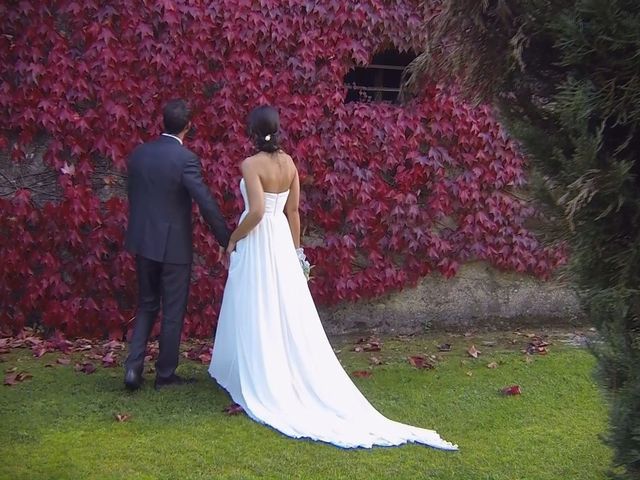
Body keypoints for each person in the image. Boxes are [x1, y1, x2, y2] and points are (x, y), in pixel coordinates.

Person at [209, 105, 457, 450]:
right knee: (280, 304)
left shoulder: (250, 165)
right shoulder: (289, 163)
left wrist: (234, 237)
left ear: (251, 131)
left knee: (258, 302)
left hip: (259, 239)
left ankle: (264, 373)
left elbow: (254, 212)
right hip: (280, 238)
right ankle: (272, 366)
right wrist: (294, 252)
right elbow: (292, 211)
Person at [124, 99, 230, 391]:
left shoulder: (139, 154)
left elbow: (134, 194)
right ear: (188, 126)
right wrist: (225, 238)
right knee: (172, 309)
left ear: (163, 122)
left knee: (146, 304)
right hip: (173, 246)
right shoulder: (185, 160)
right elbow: (204, 201)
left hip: (143, 240)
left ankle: (133, 369)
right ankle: (165, 374)